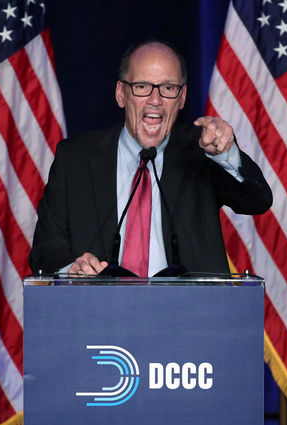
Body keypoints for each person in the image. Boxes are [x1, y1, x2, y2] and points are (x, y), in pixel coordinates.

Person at [29, 40, 272, 276]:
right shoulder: (74, 159)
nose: (155, 101)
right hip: (99, 311)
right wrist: (73, 269)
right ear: (121, 94)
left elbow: (257, 201)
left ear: (182, 97)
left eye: (168, 88)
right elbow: (44, 250)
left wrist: (225, 154)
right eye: (142, 86)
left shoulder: (202, 152)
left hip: (190, 313)